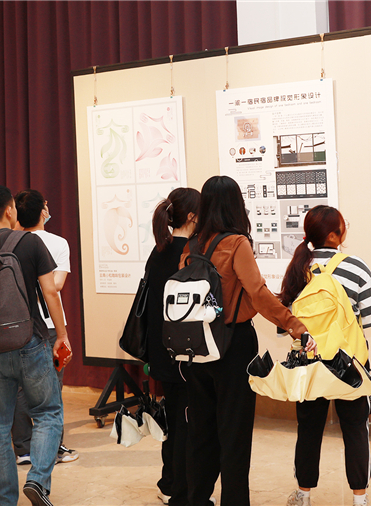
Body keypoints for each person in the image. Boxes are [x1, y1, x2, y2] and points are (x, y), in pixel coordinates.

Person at [181, 176, 313, 506]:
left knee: (201, 434)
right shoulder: (236, 243)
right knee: (234, 435)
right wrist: (294, 325)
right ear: (236, 205)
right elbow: (257, 293)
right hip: (232, 346)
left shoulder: (192, 246)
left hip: (194, 347)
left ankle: (197, 500)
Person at [0, 185, 71, 506]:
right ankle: (37, 480)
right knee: (48, 413)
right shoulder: (30, 242)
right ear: (10, 210)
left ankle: (1, 499)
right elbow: (50, 291)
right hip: (29, 341)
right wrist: (62, 335)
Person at [279, 206, 371, 506]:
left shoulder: (298, 268)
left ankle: (304, 495)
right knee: (355, 429)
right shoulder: (357, 267)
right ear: (336, 236)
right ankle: (359, 499)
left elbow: (283, 324)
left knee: (308, 429)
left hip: (309, 362)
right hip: (349, 362)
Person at [11, 190, 79, 466]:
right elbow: (57, 285)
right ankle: (52, 447)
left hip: (17, 322)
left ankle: (23, 448)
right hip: (49, 324)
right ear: (42, 212)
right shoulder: (58, 243)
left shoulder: (11, 241)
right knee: (51, 386)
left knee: (19, 387)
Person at [142, 188, 200, 506]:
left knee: (174, 418)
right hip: (186, 353)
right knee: (186, 421)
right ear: (192, 216)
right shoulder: (189, 253)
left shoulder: (159, 251)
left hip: (161, 351)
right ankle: (181, 488)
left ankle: (168, 482)